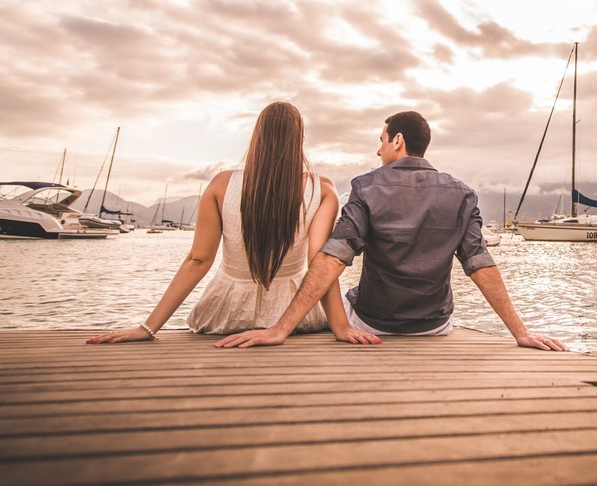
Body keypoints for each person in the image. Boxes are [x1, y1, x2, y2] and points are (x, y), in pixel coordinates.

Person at [215, 111, 567, 351]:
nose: (378, 149)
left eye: (382, 140)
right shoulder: (462, 193)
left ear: (398, 140)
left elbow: (332, 259)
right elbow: (479, 264)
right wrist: (520, 332)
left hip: (373, 324)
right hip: (434, 326)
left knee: (341, 303)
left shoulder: (367, 187)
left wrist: (280, 329)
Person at [88, 101, 379, 345]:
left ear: (257, 137)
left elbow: (198, 260)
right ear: (299, 138)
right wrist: (340, 327)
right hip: (296, 318)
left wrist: (149, 328)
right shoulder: (322, 188)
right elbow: (320, 264)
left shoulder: (220, 184)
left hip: (225, 314)